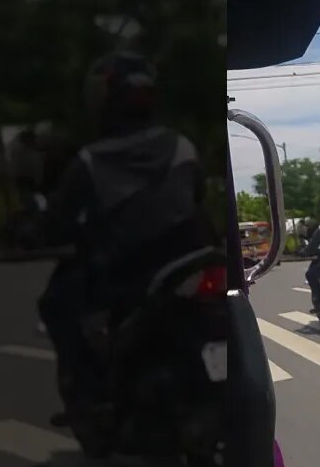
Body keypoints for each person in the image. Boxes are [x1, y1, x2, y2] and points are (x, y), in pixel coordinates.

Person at [37, 51, 215, 432]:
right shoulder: (182, 146)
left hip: (130, 273)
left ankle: (88, 398)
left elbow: (56, 222)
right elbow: (201, 198)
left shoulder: (89, 160)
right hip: (194, 259)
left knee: (56, 301)